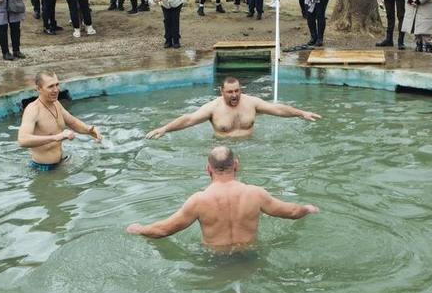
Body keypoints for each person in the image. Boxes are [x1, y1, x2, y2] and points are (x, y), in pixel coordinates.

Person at [126, 146, 319, 251]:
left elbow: (163, 230)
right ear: (236, 165)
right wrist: (307, 209)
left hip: (214, 261)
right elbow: (292, 212)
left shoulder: (199, 200)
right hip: (249, 255)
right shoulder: (255, 193)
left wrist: (139, 229)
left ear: (207, 169)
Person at [146, 76, 321, 139]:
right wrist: (165, 129)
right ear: (221, 91)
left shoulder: (251, 102)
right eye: (230, 92)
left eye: (237, 91)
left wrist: (301, 113)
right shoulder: (213, 108)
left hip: (251, 147)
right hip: (223, 152)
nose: (234, 95)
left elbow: (277, 109)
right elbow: (189, 119)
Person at [17, 71, 102, 171]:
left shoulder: (56, 103)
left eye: (57, 84)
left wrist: (89, 130)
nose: (56, 90)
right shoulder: (33, 110)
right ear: (38, 89)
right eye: (50, 86)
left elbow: (72, 122)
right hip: (43, 170)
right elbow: (23, 140)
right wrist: (56, 137)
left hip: (61, 163)